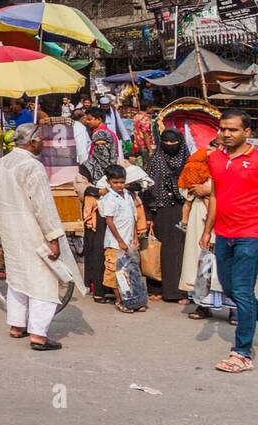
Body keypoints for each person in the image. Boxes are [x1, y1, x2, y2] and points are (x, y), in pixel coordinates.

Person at [0, 124, 83, 350]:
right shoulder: (32, 166)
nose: (44, 144)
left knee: (17, 277)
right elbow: (43, 206)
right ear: (32, 142)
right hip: (32, 231)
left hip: (10, 230)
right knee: (44, 281)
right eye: (41, 140)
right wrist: (53, 236)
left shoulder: (2, 163)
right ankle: (38, 335)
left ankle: (17, 325)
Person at [203, 109, 258, 373]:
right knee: (229, 290)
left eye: (233, 129)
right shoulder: (214, 159)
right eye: (223, 129)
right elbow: (214, 196)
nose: (226, 134)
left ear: (247, 132)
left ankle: (241, 353)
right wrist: (208, 230)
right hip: (223, 234)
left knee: (242, 291)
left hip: (251, 234)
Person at [178, 141, 221, 319]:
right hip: (199, 212)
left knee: (224, 260)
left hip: (227, 211)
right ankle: (203, 304)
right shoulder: (196, 164)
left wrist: (210, 189)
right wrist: (197, 190)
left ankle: (235, 307)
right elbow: (184, 186)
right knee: (200, 258)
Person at [78, 106, 118, 301]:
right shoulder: (87, 166)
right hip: (96, 214)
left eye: (104, 144)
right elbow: (79, 185)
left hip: (116, 216)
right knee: (96, 249)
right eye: (98, 144)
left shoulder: (118, 167)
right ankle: (98, 287)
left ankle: (114, 287)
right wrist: (95, 191)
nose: (101, 148)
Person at [145, 129, 188, 304]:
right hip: (159, 210)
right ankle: (156, 288)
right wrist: (148, 214)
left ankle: (179, 292)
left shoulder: (188, 161)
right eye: (166, 142)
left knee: (178, 251)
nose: (170, 146)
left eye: (173, 143)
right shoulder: (156, 160)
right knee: (157, 249)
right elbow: (147, 187)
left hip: (182, 209)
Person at [100, 165, 146, 313]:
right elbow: (109, 221)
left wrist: (134, 237)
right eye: (116, 182)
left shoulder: (128, 195)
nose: (119, 185)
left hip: (129, 242)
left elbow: (133, 217)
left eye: (122, 182)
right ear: (109, 182)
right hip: (114, 243)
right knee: (115, 273)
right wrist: (120, 241)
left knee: (131, 271)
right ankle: (120, 300)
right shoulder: (108, 199)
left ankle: (134, 300)